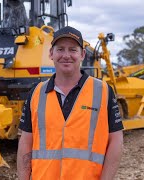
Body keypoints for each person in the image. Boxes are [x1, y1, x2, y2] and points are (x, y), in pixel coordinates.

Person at [17, 26, 124, 180]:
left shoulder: (103, 91)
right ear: (51, 53)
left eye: (72, 50)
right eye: (60, 49)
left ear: (82, 54)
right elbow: (26, 142)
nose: (66, 55)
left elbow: (116, 140)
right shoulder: (36, 93)